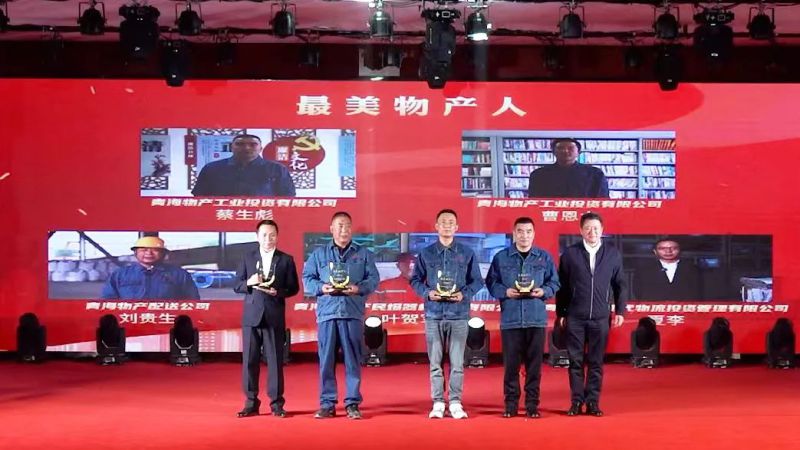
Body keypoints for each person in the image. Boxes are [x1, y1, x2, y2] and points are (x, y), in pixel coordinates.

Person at [302, 211, 379, 419]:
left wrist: (358, 288)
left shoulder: (363, 254)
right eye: (340, 226)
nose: (344, 230)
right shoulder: (319, 254)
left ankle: (352, 403)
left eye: (347, 226)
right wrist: (322, 287)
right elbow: (307, 278)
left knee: (353, 360)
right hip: (327, 313)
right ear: (332, 229)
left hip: (352, 312)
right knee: (326, 360)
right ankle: (327, 403)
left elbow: (373, 279)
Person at [410, 209, 484, 420]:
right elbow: (415, 280)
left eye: (451, 222)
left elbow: (477, 281)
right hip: (433, 314)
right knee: (435, 362)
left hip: (458, 314)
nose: (447, 225)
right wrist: (427, 293)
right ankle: (438, 402)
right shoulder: (426, 253)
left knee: (457, 362)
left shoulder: (467, 253)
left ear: (457, 227)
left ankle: (455, 401)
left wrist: (463, 294)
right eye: (443, 222)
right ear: (436, 226)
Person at [485, 217, 560, 418]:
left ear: (533, 234)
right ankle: (510, 405)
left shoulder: (544, 257)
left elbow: (555, 283)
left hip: (536, 319)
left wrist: (543, 291)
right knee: (511, 366)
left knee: (534, 367)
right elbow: (491, 283)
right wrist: (505, 292)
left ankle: (532, 405)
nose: (524, 235)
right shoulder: (501, 257)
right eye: (520, 231)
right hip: (511, 320)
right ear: (514, 233)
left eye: (528, 231)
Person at [556, 212, 627, 417]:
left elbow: (620, 285)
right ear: (581, 230)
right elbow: (562, 287)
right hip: (575, 316)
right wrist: (562, 312)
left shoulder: (612, 254)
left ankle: (593, 402)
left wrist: (620, 310)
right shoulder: (570, 254)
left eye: (596, 228)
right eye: (587, 228)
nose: (592, 232)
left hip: (601, 317)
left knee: (596, 362)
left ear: (602, 230)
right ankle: (576, 402)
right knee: (575, 362)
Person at [235, 220, 299, 419]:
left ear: (277, 236)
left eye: (272, 235)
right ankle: (250, 403)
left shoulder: (286, 260)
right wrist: (249, 282)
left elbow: (293, 288)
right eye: (264, 235)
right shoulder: (247, 257)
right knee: (249, 361)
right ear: (257, 237)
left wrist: (277, 292)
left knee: (275, 362)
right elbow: (237, 285)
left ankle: (277, 404)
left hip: (274, 315)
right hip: (251, 316)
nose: (268, 239)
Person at [191, 134, 296, 197]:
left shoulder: (277, 169)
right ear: (231, 148)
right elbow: (199, 196)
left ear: (260, 148)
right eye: (240, 144)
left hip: (263, 217)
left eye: (253, 144)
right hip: (222, 216)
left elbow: (288, 197)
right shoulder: (211, 168)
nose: (246, 148)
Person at [101, 236, 199, 300]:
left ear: (163, 253)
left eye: (155, 250)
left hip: (166, 319)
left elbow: (192, 301)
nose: (149, 253)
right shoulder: (120, 274)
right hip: (129, 319)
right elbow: (108, 300)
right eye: (143, 250)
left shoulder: (179, 275)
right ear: (135, 253)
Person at [527, 138, 609, 198]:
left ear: (578, 152)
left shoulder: (595, 174)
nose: (565, 151)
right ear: (553, 152)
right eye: (560, 148)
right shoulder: (539, 175)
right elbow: (534, 201)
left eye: (570, 148)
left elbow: (603, 200)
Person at [634, 238, 701, 301]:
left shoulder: (694, 270)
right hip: (655, 308)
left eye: (673, 248)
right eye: (662, 248)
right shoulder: (644, 271)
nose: (668, 251)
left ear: (680, 250)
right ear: (655, 251)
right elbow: (638, 292)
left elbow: (699, 292)